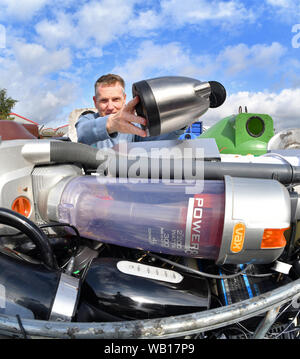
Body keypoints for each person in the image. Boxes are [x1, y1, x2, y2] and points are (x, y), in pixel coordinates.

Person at [76, 74, 186, 149]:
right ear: (95, 102)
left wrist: (180, 123)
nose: (110, 107)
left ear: (124, 99)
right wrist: (111, 124)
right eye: (104, 100)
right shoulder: (87, 119)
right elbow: (82, 132)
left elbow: (157, 141)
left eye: (116, 99)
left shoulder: (133, 126)